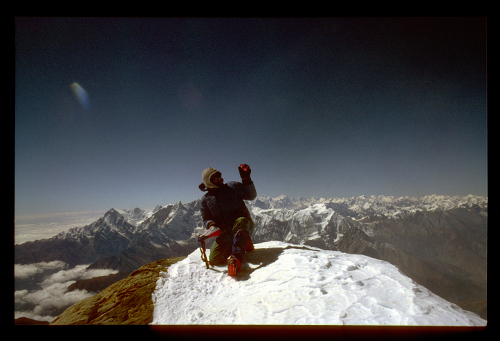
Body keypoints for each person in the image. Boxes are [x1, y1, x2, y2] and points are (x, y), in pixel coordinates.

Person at [199, 164, 257, 275]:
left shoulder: (232, 187)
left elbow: (251, 195)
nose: (219, 179)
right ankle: (243, 243)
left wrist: (246, 179)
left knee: (241, 221)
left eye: (219, 176)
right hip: (225, 233)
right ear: (208, 182)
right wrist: (211, 224)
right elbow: (206, 218)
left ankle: (236, 259)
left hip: (243, 225)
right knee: (215, 259)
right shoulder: (205, 200)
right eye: (215, 178)